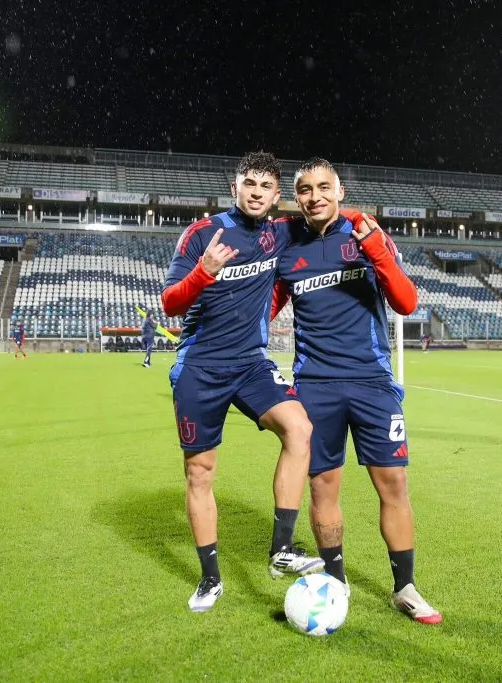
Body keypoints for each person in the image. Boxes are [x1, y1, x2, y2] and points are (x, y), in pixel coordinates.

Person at [270, 157, 442, 624]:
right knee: (323, 487)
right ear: (297, 197)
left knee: (394, 484)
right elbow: (264, 312)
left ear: (340, 190)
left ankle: (404, 587)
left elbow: (406, 302)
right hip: (315, 387)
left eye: (324, 187)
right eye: (305, 189)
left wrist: (377, 251)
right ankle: (335, 580)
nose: (315, 196)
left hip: (372, 382)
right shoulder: (288, 249)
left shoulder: (366, 234)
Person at [161, 151, 324, 613]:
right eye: (248, 183)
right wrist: (204, 271)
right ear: (235, 187)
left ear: (277, 196)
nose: (256, 192)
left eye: (265, 186)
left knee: (299, 428)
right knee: (200, 472)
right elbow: (171, 302)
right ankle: (210, 578)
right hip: (202, 367)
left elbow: (322, 210)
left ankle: (282, 550)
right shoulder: (202, 234)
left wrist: (361, 221)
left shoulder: (279, 234)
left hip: (251, 364)